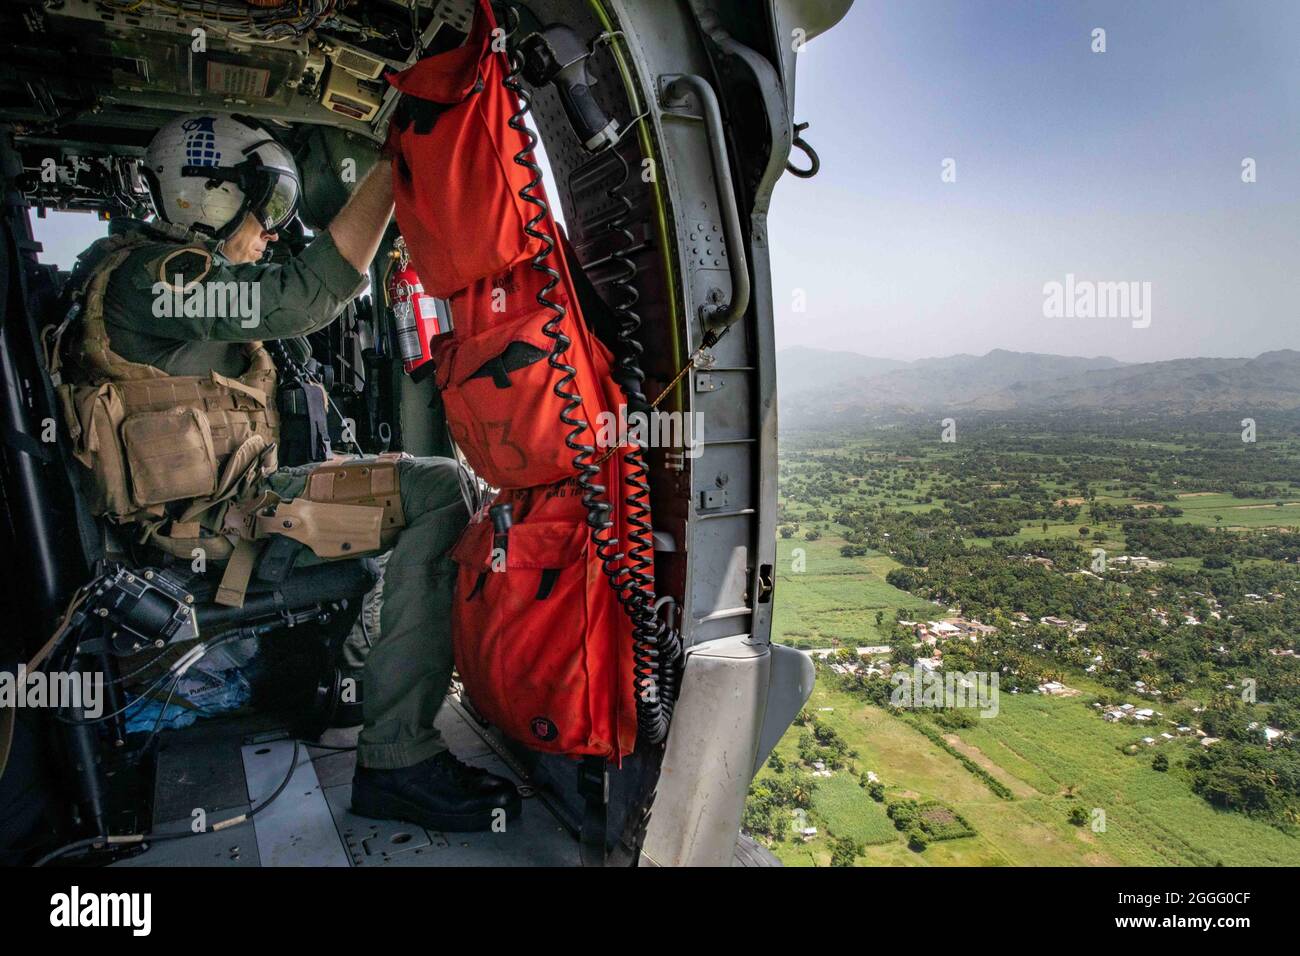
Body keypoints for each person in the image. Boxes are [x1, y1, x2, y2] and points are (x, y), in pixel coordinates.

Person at [66, 112, 517, 832]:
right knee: (440, 495)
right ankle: (397, 759)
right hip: (204, 530)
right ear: (203, 197)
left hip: (239, 503)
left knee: (440, 485)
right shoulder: (151, 278)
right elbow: (305, 297)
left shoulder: (155, 286)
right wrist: (393, 167)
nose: (274, 229)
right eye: (267, 205)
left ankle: (382, 721)